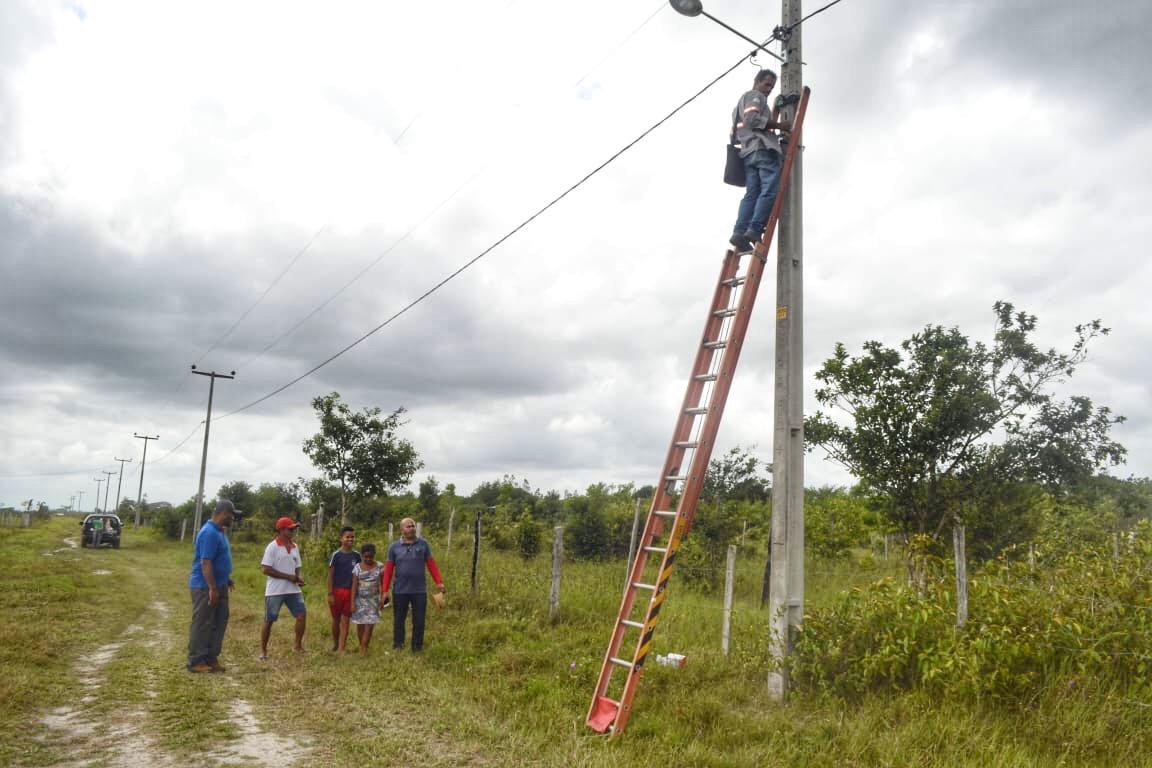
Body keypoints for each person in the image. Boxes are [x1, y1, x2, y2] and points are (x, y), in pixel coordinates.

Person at [729, 68, 791, 254]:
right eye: (766, 84)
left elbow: (746, 128)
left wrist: (776, 111)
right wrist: (780, 125)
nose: (769, 89)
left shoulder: (739, 105)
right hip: (762, 151)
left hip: (748, 153)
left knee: (752, 193)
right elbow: (752, 120)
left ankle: (739, 232)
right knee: (769, 189)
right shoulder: (755, 95)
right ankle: (754, 229)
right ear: (756, 81)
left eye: (772, 86)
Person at [381, 518, 445, 652]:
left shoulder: (423, 544)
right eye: (408, 526)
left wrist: (439, 582)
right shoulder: (394, 547)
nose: (411, 528)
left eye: (413, 526)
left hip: (419, 590)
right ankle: (398, 645)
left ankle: (417, 647)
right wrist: (385, 590)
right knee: (399, 619)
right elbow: (388, 569)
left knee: (419, 620)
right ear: (401, 530)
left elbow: (431, 564)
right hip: (400, 590)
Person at [187, 499, 236, 673]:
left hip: (219, 583)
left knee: (219, 621)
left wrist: (226, 578)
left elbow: (218, 559)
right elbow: (206, 562)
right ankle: (196, 661)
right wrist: (212, 588)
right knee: (203, 622)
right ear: (223, 513)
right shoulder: (209, 532)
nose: (233, 519)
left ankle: (211, 657)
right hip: (205, 586)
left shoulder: (220, 532)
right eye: (231, 515)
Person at [259, 516, 306, 660]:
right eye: (290, 529)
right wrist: (288, 577)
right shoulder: (272, 547)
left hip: (293, 589)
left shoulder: (295, 546)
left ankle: (298, 646)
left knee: (302, 616)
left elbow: (297, 566)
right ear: (280, 530)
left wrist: (298, 577)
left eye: (293, 529)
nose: (293, 531)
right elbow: (265, 569)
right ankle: (263, 652)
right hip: (275, 591)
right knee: (269, 620)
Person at [327, 526, 360, 654]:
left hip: (350, 592)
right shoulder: (336, 555)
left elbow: (358, 574)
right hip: (336, 591)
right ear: (341, 538)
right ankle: (336, 643)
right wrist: (330, 593)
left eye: (352, 537)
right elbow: (330, 575)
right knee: (336, 619)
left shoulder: (357, 555)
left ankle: (342, 648)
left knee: (346, 619)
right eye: (348, 537)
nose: (350, 539)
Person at [349, 543, 386, 655]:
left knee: (370, 624)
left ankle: (364, 647)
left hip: (373, 600)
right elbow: (354, 586)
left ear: (374, 555)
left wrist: (382, 598)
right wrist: (352, 603)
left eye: (370, 557)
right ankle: (362, 645)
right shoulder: (357, 567)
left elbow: (382, 584)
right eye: (366, 557)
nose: (368, 559)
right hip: (360, 600)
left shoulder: (380, 566)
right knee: (360, 624)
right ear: (362, 555)